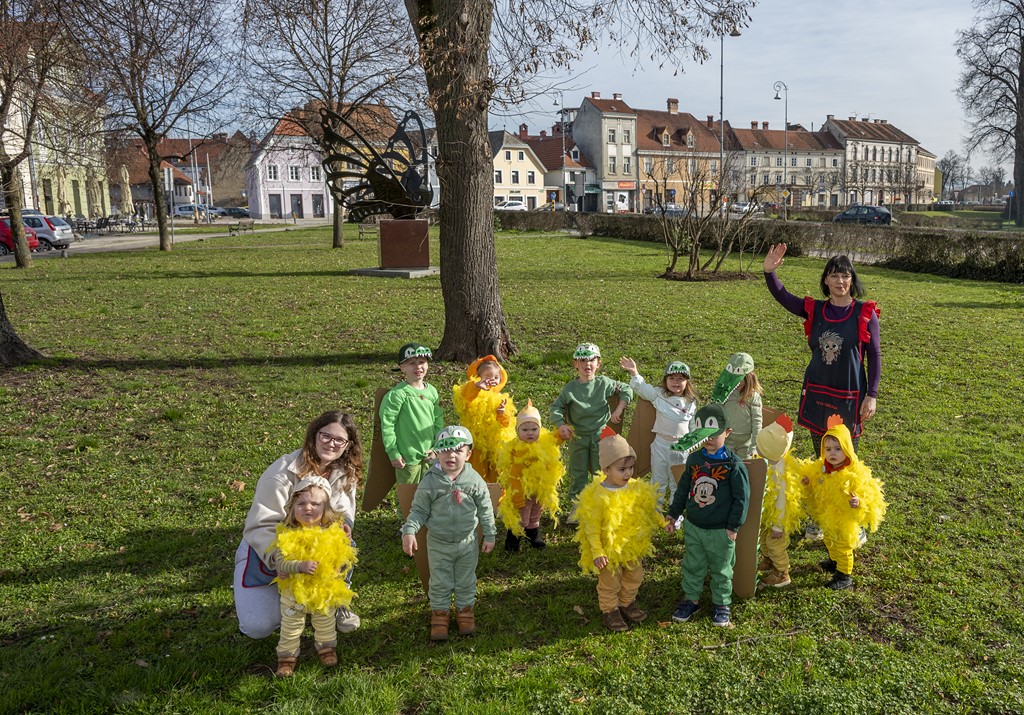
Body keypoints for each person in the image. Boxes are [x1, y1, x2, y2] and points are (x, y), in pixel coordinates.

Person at [234, 411, 363, 640]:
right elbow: (260, 526)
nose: (331, 444)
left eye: (339, 440)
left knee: (345, 542)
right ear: (314, 435)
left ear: (347, 445)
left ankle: (337, 600)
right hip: (271, 550)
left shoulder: (345, 471)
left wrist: (344, 527)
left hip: (316, 547)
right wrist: (279, 559)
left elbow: (344, 510)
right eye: (325, 436)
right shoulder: (281, 473)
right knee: (259, 627)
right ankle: (286, 596)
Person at [762, 244, 881, 453]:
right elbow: (784, 297)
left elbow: (874, 354)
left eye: (845, 276)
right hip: (818, 392)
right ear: (826, 280)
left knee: (845, 457)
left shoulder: (864, 313)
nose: (840, 281)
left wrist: (872, 395)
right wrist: (770, 273)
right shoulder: (815, 310)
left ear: (852, 279)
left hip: (850, 395)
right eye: (834, 276)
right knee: (822, 455)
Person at [401, 426, 497, 641]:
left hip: (467, 542)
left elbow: (486, 509)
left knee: (465, 579)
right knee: (440, 581)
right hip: (438, 543)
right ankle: (440, 615)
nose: (451, 455)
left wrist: (490, 534)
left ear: (468, 454)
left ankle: (465, 611)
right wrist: (409, 531)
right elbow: (419, 510)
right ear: (437, 452)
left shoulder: (475, 480)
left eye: (458, 450)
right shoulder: (430, 481)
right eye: (445, 450)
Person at [667, 404, 750, 627]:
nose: (710, 439)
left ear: (727, 432)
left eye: (715, 433)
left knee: (721, 568)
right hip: (694, 526)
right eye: (704, 434)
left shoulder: (733, 464)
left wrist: (733, 527)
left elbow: (742, 498)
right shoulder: (694, 460)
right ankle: (691, 599)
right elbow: (684, 488)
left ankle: (722, 604)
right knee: (693, 564)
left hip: (721, 530)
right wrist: (674, 514)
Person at [574, 428, 663, 632]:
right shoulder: (598, 496)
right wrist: (597, 551)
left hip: (632, 546)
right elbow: (592, 528)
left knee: (634, 576)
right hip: (609, 551)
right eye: (622, 469)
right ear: (606, 470)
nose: (628, 473)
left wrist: (662, 521)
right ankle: (610, 610)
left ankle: (627, 602)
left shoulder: (636, 487)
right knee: (609, 582)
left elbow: (648, 508)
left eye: (631, 468)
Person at [271, 477, 358, 677]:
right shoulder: (286, 535)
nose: (307, 508)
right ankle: (286, 658)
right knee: (290, 627)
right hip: (294, 593)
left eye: (315, 504)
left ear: (326, 508)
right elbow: (281, 562)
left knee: (325, 622)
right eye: (301, 504)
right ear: (292, 509)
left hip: (324, 591)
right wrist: (299, 566)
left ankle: (326, 648)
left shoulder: (333, 534)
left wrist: (339, 563)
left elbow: (344, 558)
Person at [793, 415, 887, 590]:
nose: (832, 453)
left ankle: (844, 575)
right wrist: (808, 483)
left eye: (837, 449)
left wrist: (858, 502)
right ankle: (833, 561)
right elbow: (814, 484)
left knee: (843, 545)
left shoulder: (854, 473)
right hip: (827, 516)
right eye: (828, 449)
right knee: (829, 540)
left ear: (847, 449)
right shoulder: (822, 469)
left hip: (844, 520)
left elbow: (867, 493)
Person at [551, 343, 633, 524]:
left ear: (599, 363)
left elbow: (627, 390)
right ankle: (577, 507)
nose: (587, 364)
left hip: (600, 435)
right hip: (577, 436)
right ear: (575, 364)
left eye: (591, 360)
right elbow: (556, 407)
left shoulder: (604, 383)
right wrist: (561, 425)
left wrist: (619, 409)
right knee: (578, 472)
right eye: (582, 360)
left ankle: (602, 505)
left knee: (601, 471)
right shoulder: (570, 388)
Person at [619, 356, 698, 508]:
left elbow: (693, 426)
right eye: (672, 378)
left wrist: (693, 444)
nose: (676, 382)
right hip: (660, 445)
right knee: (658, 480)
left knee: (678, 481)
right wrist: (634, 373)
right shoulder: (659, 395)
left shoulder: (690, 402)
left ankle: (675, 513)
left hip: (681, 448)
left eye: (680, 378)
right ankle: (655, 510)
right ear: (665, 380)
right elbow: (643, 388)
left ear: (687, 382)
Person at [495, 400, 565, 551]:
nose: (530, 433)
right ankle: (513, 540)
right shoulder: (516, 449)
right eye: (525, 430)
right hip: (522, 489)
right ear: (518, 431)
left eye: (534, 429)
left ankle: (533, 535)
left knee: (535, 513)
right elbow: (514, 474)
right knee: (521, 516)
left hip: (539, 488)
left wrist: (563, 434)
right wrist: (517, 493)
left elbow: (555, 439)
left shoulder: (544, 441)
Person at [380, 343, 444, 485]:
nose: (418, 367)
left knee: (430, 493)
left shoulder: (432, 391)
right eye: (412, 363)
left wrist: (437, 448)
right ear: (402, 367)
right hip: (407, 458)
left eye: (422, 362)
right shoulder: (398, 394)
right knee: (408, 496)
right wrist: (393, 452)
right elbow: (387, 425)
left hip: (429, 456)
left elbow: (438, 420)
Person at [754, 414, 804, 589]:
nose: (756, 451)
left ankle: (782, 573)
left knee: (775, 544)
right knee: (764, 539)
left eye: (759, 449)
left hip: (778, 520)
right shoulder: (769, 460)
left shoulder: (780, 475)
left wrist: (777, 526)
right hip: (768, 512)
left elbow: (781, 503)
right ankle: (768, 560)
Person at [453, 355, 516, 483]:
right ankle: (476, 497)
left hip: (496, 444)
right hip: (477, 443)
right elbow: (464, 398)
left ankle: (496, 499)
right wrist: (477, 385)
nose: (491, 380)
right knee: (476, 473)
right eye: (487, 377)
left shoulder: (501, 398)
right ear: (478, 377)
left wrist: (502, 413)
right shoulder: (473, 392)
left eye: (496, 377)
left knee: (497, 474)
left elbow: (507, 423)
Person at [708, 352, 763, 460]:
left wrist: (754, 446)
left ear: (748, 376)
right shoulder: (725, 393)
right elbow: (716, 413)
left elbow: (757, 422)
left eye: (739, 377)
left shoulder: (753, 396)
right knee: (726, 467)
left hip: (745, 443)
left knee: (743, 468)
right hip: (727, 440)